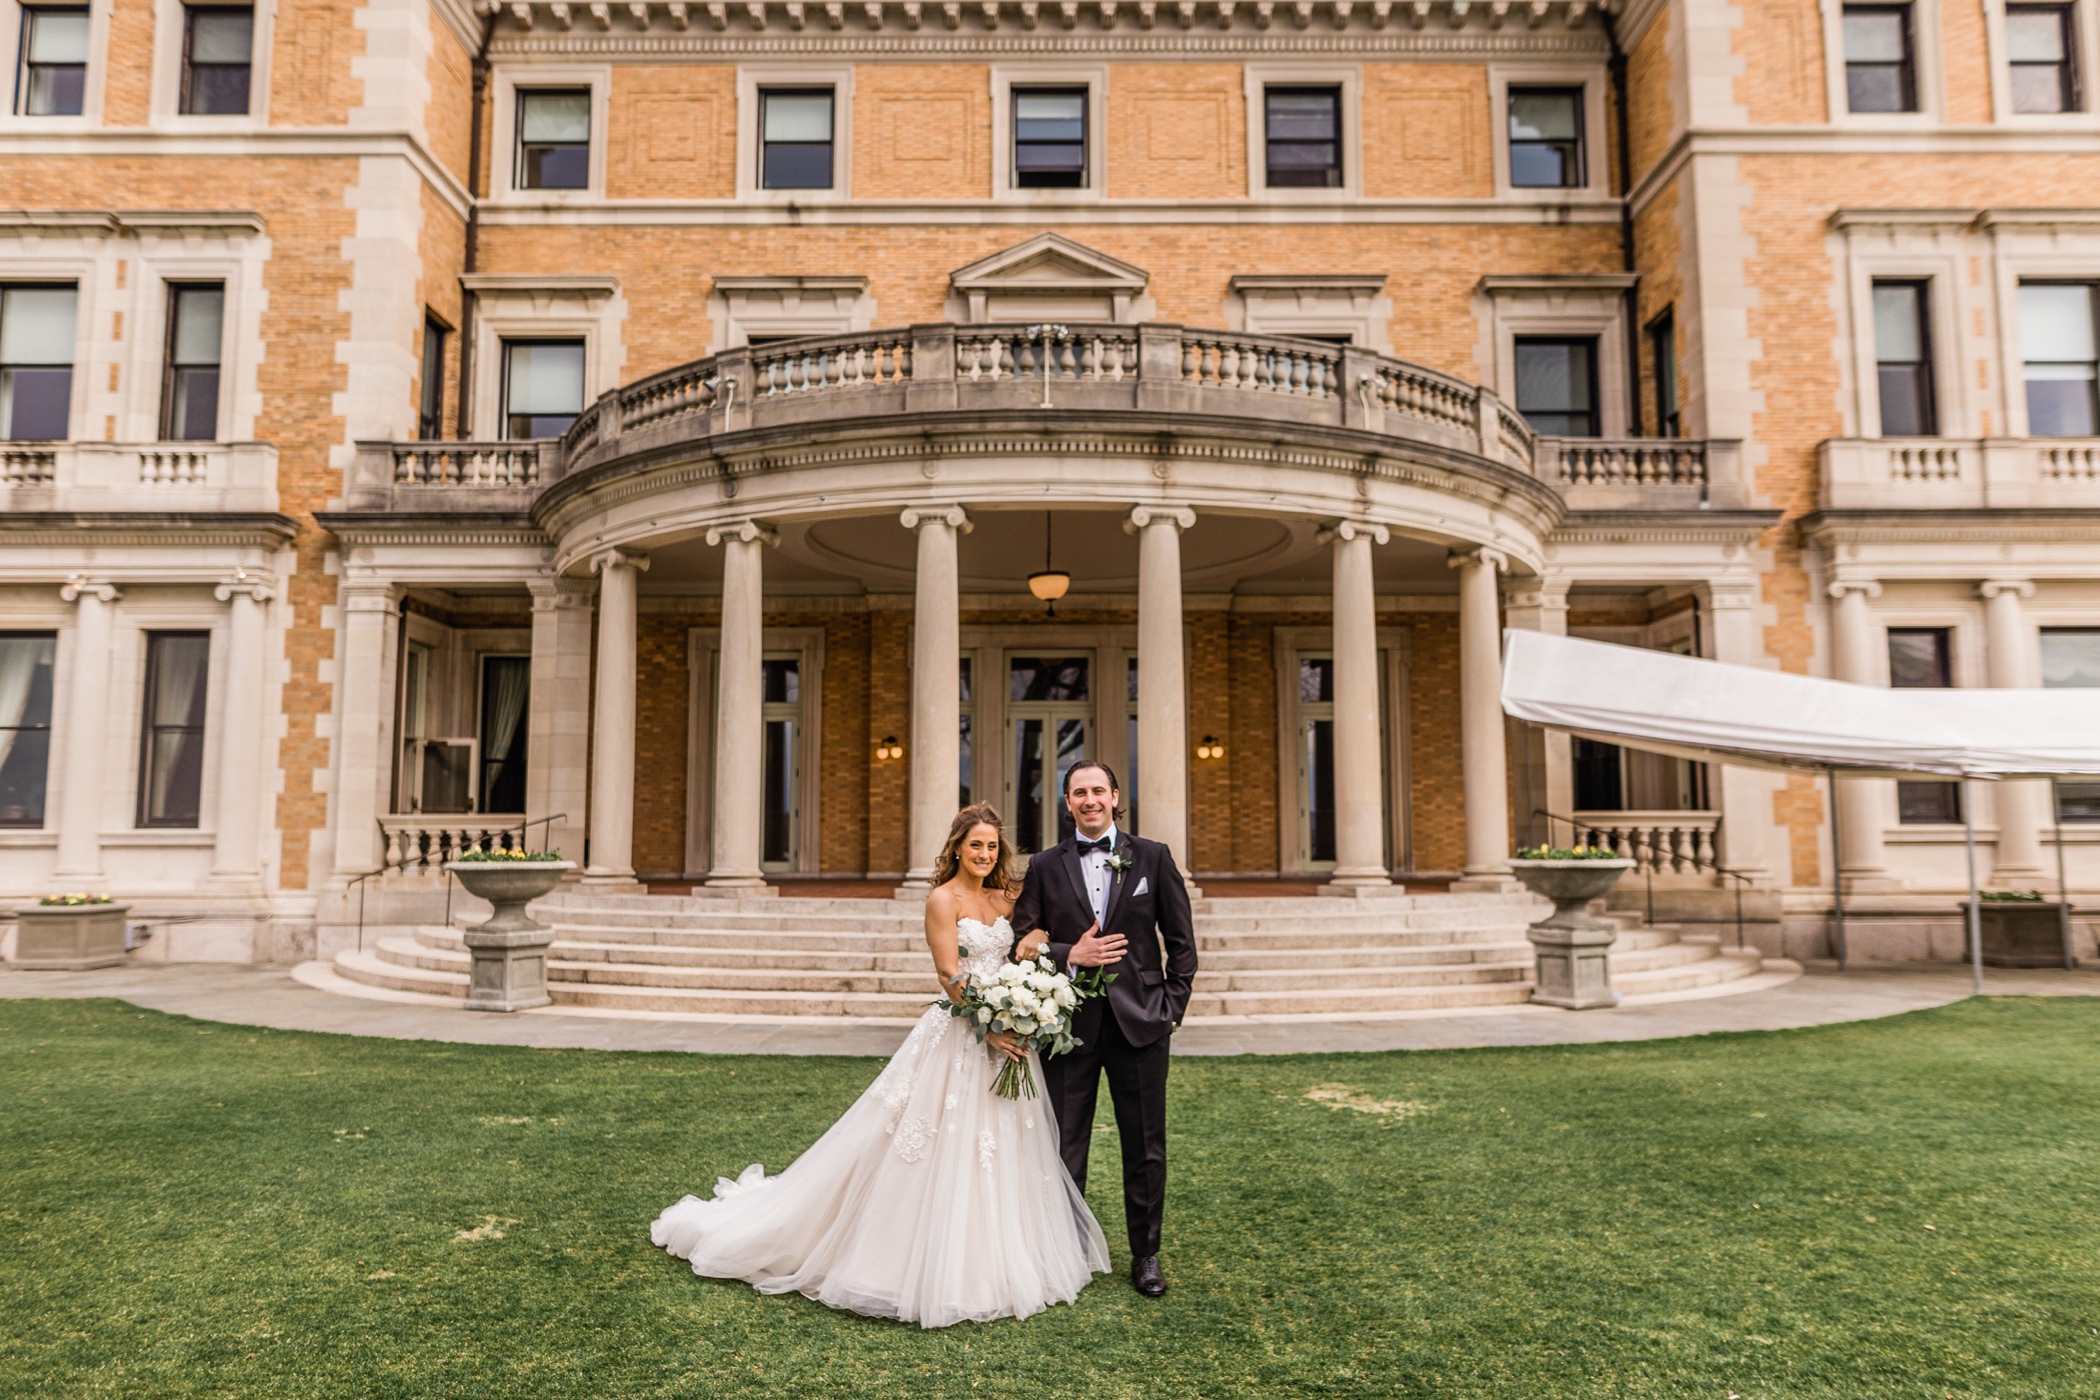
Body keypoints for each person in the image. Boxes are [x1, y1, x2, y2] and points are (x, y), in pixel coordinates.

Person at [651, 802, 1109, 1328]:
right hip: (964, 1035)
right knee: (931, 1148)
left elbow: (1033, 938)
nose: (984, 854)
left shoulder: (1008, 896)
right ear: (957, 846)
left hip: (1012, 1041)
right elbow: (948, 976)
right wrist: (994, 1023)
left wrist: (1032, 954)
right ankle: (901, 1261)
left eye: (992, 846)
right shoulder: (942, 899)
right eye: (975, 844)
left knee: (1004, 1144)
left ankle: (1005, 1256)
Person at [1010, 760, 1198, 1299]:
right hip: (1069, 1025)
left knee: (1145, 1145)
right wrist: (1073, 953)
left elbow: (1181, 944)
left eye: (1098, 790)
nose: (1089, 800)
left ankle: (1145, 1255)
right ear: (1067, 803)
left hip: (1142, 1024)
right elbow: (1023, 939)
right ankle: (1064, 1250)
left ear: (1116, 797)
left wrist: (1170, 1009)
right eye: (1078, 793)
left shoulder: (1153, 857)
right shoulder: (1045, 866)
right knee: (1064, 1143)